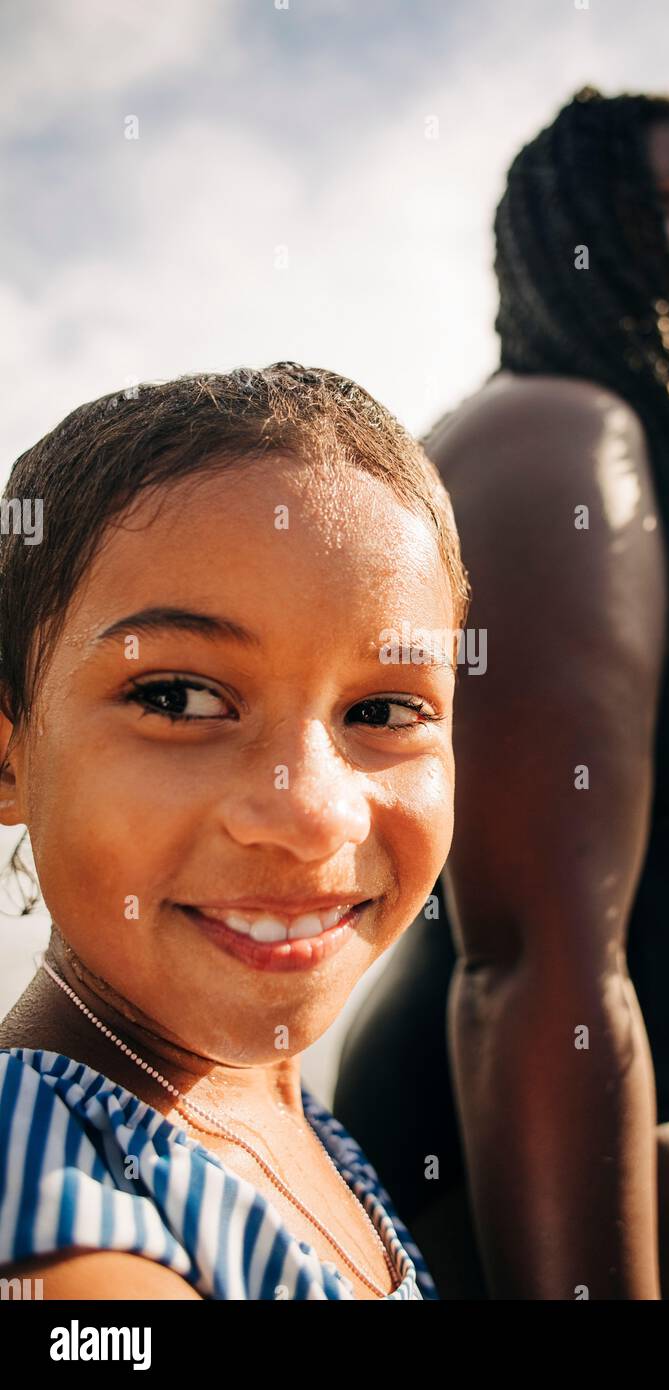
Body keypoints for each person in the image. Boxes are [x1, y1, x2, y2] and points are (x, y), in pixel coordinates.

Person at [333, 88, 669, 1299]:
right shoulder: (555, 436)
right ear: (566, 218)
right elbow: (522, 955)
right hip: (564, 1185)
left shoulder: (645, 466)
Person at [0, 361, 470, 1300]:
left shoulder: (273, 1100)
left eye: (381, 710)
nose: (310, 813)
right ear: (11, 757)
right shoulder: (55, 1210)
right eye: (177, 697)